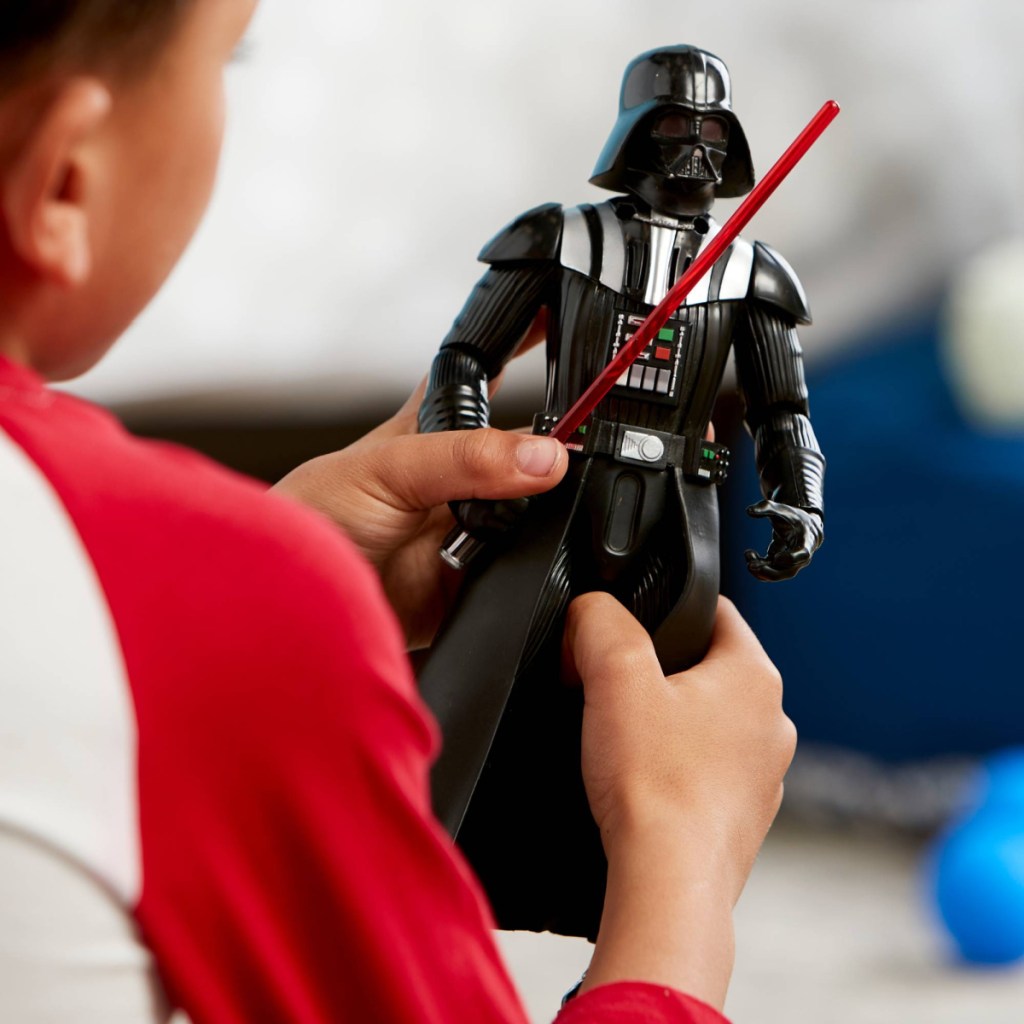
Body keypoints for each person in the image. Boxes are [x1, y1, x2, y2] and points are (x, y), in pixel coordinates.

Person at [0, 3, 795, 1023]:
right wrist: (682, 873)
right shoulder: (206, 586)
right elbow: (468, 360)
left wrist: (230, 599)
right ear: (66, 179)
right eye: (226, 59)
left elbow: (782, 407)